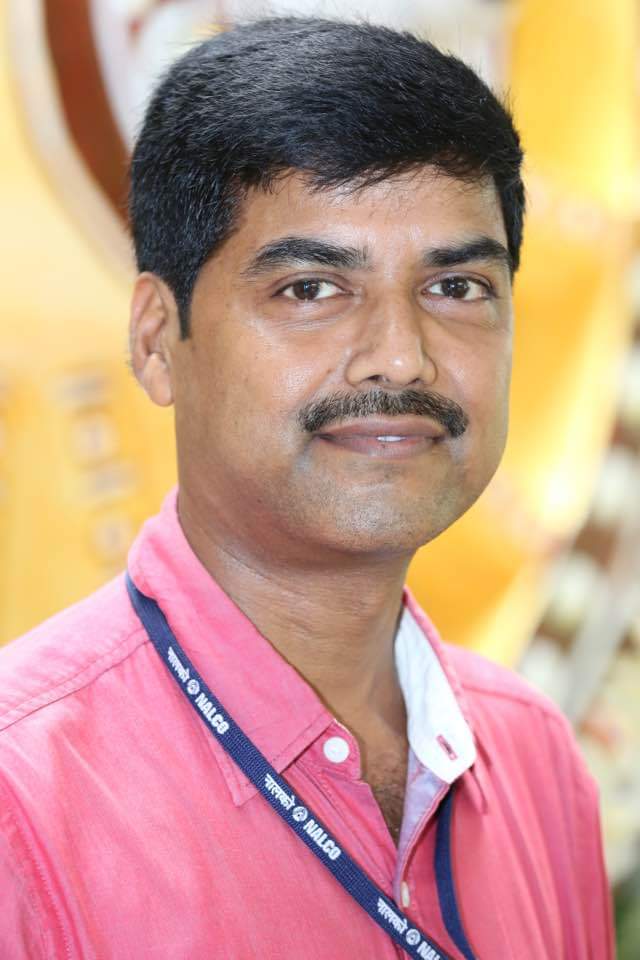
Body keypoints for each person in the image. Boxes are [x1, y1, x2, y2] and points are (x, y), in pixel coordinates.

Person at [0, 16, 614, 959]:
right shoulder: (22, 794)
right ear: (157, 339)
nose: (400, 355)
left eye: (456, 288)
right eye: (311, 289)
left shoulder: (535, 759)